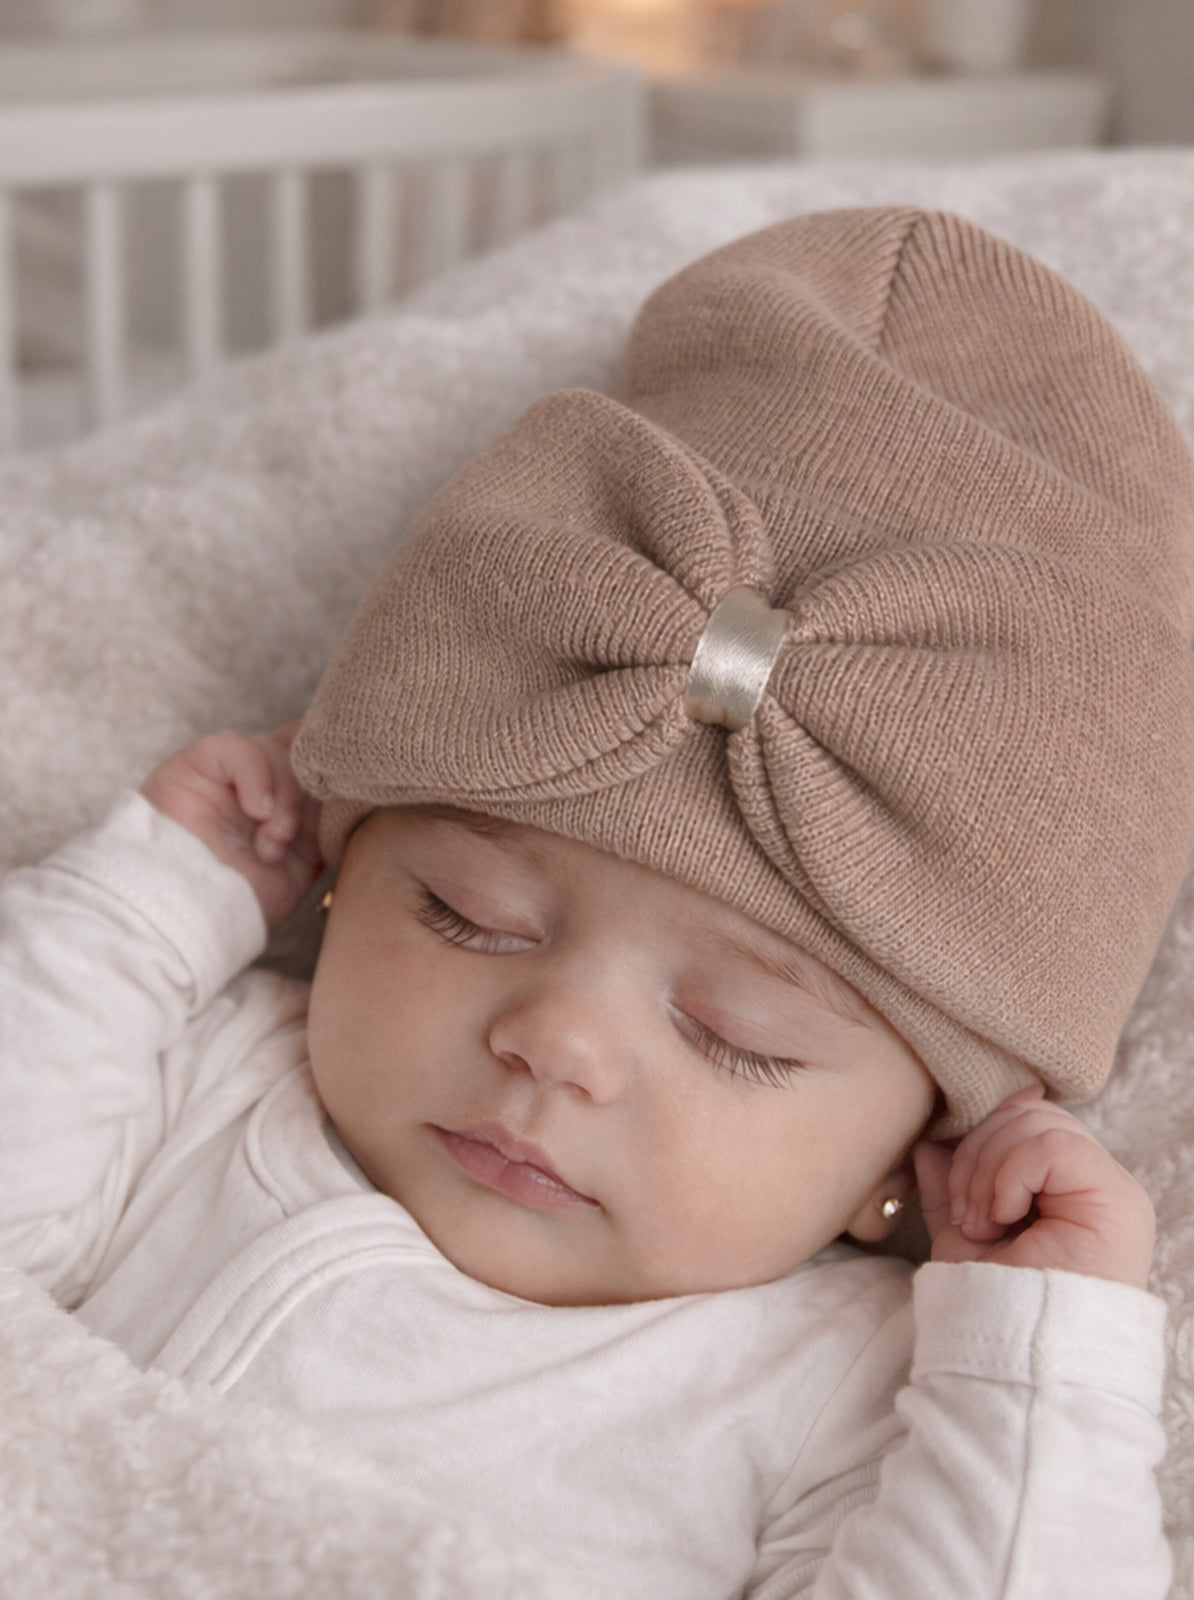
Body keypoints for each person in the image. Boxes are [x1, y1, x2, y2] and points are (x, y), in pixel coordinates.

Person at [2, 206, 1190, 1598]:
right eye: (465, 914)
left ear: (909, 1159)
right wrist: (147, 912)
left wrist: (1036, 1351)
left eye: (737, 1037)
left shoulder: (846, 1387)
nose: (556, 1042)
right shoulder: (199, 1087)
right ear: (334, 879)